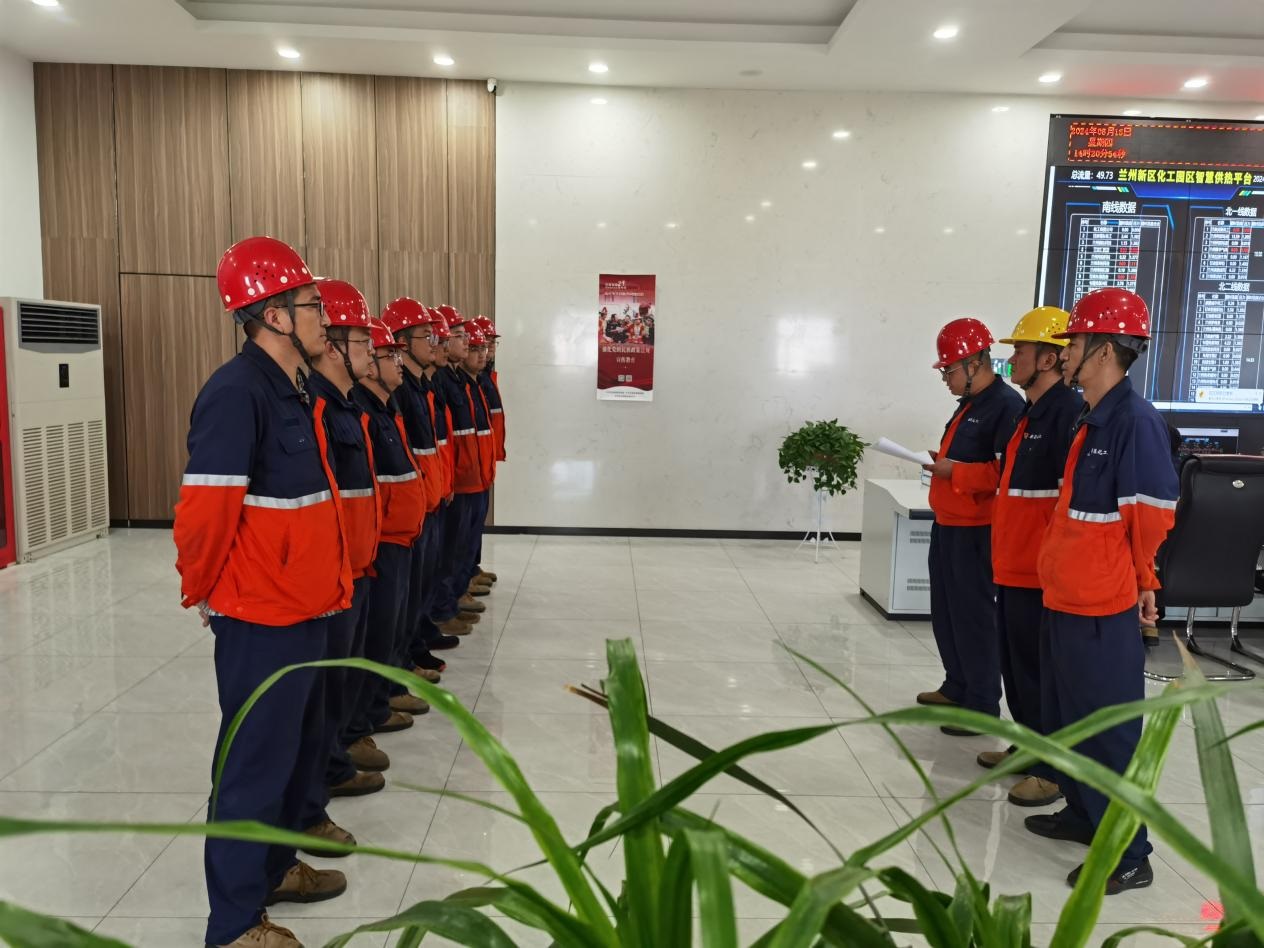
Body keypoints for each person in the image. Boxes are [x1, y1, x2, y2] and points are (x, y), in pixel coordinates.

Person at [175, 236, 349, 948]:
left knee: (294, 753)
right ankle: (235, 925)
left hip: (305, 605)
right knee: (252, 764)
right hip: (261, 615)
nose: (324, 319)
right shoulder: (236, 392)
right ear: (273, 315)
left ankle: (274, 871)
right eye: (312, 305)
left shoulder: (292, 388)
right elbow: (205, 510)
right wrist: (205, 590)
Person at [1025, 287, 1178, 895]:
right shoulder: (1091, 417)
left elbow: (1152, 516)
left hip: (1099, 606)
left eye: (1076, 342)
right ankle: (1086, 815)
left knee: (1108, 734)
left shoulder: (1135, 422)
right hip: (1065, 598)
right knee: (1067, 720)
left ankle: (1129, 854)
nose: (1065, 353)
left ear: (1106, 351)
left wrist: (1141, 582)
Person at [978, 307, 1083, 807]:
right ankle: (1026, 746)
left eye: (1020, 349)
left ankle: (1050, 770)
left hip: (1039, 573)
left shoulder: (1065, 414)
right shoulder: (1030, 412)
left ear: (1049, 358)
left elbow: (1066, 502)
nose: (1012, 358)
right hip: (1013, 565)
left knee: (1041, 676)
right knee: (1017, 670)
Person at [298, 278, 386, 854]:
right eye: (363, 342)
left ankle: (330, 765)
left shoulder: (344, 405)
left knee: (336, 686)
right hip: (322, 580)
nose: (373, 353)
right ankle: (312, 797)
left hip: (355, 564)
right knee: (316, 699)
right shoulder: (314, 407)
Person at [919, 318, 1023, 732]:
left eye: (949, 370)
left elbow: (1005, 472)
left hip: (977, 529)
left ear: (975, 363)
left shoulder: (1006, 406)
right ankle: (956, 685)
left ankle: (981, 704)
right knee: (946, 611)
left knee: (974, 616)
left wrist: (955, 472)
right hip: (948, 522)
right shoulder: (969, 404)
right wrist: (946, 466)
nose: (945, 378)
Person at [342, 317, 430, 775]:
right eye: (388, 353)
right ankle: (362, 719)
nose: (398, 361)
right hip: (377, 544)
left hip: (399, 534)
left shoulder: (386, 407)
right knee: (372, 635)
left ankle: (378, 701)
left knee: (390, 625)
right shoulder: (358, 410)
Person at [428, 307, 492, 629]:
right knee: (449, 550)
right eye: (458, 336)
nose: (466, 343)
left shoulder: (461, 380)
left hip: (470, 476)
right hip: (455, 480)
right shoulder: (440, 381)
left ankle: (454, 598)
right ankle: (443, 608)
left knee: (462, 543)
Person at [471, 314, 505, 590]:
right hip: (472, 466)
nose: (489, 348)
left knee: (475, 522)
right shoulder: (474, 380)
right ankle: (465, 578)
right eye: (483, 343)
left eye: (491, 343)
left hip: (485, 459)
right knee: (464, 529)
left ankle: (472, 568)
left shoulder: (484, 377)